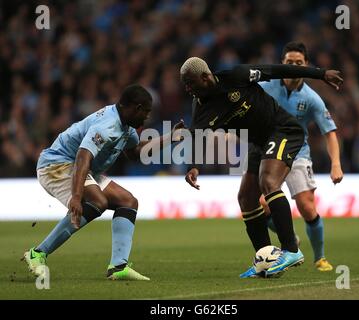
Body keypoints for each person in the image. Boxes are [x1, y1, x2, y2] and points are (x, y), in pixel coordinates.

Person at [180, 57, 342, 278]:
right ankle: (265, 261)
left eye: (190, 83)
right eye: (185, 84)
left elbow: (275, 70)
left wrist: (321, 74)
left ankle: (291, 250)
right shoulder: (201, 107)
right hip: (259, 143)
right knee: (246, 198)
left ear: (205, 77)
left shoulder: (236, 76)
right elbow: (197, 136)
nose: (188, 88)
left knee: (268, 181)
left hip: (283, 129)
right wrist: (194, 166)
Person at [23, 84, 184, 281]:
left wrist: (171, 138)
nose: (147, 117)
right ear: (136, 108)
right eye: (146, 112)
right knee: (97, 201)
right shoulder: (107, 125)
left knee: (128, 201)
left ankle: (118, 267)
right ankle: (38, 253)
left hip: (80, 167)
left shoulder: (126, 125)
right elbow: (83, 156)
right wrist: (76, 196)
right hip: (57, 165)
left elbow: (135, 153)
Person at [246, 41, 343, 272]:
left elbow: (330, 133)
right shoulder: (266, 86)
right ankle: (290, 240)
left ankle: (319, 258)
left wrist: (336, 164)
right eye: (290, 63)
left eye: (298, 63)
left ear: (306, 65)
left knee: (307, 208)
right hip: (269, 152)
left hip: (298, 153)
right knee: (261, 205)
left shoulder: (311, 99)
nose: (293, 66)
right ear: (283, 63)